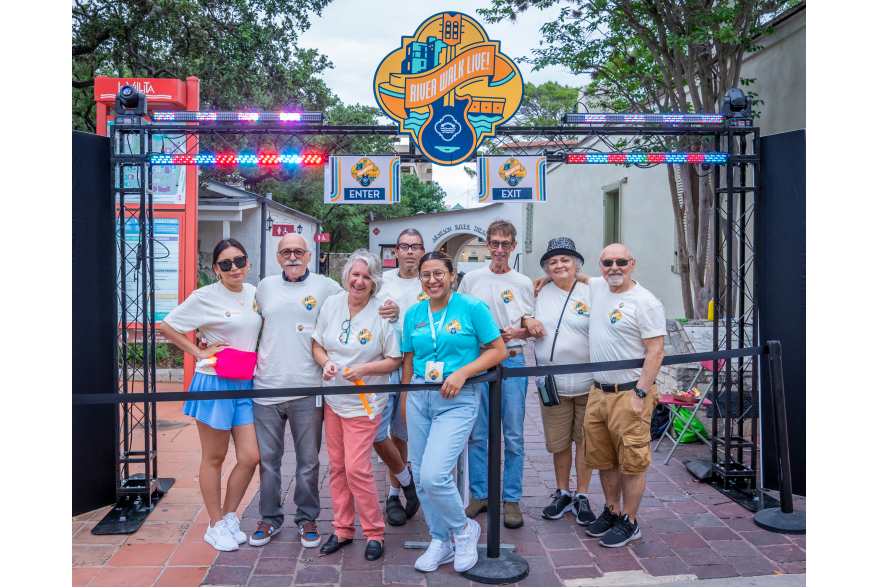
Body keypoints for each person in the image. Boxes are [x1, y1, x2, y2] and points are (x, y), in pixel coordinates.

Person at [401, 252, 507, 574]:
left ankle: (463, 530)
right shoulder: (414, 313)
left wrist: (462, 373)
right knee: (420, 476)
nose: (432, 280)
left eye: (438, 274)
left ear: (452, 275)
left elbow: (498, 350)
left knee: (435, 474)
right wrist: (405, 399)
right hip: (420, 396)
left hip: (458, 397)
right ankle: (440, 539)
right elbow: (408, 359)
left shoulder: (472, 308)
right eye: (425, 275)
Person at [159, 238, 261, 552]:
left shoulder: (256, 293)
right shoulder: (204, 297)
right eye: (226, 263)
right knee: (214, 457)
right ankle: (215, 524)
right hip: (214, 382)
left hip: (245, 382)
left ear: (248, 262)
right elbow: (167, 326)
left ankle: (229, 517)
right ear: (216, 269)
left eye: (239, 261)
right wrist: (198, 352)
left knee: (250, 456)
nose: (234, 268)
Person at [248, 234, 343, 549]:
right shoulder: (264, 287)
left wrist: (387, 310)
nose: (292, 257)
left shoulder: (326, 287)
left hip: (307, 388)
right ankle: (270, 519)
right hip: (266, 388)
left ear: (309, 254)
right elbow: (246, 322)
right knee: (268, 461)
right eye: (286, 252)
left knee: (308, 461)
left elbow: (355, 304)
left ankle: (307, 519)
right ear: (278, 256)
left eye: (298, 251)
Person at [312, 250, 403, 562]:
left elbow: (395, 359)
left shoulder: (383, 313)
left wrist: (363, 370)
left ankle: (374, 532)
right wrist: (325, 363)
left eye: (366, 276)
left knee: (357, 469)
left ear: (375, 282)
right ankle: (342, 529)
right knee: (336, 467)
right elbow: (318, 343)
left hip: (365, 402)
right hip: (333, 400)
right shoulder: (332, 304)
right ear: (347, 275)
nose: (359, 281)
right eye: (355, 274)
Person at [576, 244, 666, 547]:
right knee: (604, 459)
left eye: (621, 262)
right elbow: (577, 276)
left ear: (632, 264)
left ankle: (630, 520)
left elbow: (656, 351)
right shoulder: (600, 286)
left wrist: (640, 393)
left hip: (630, 393)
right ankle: (612, 512)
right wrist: (544, 280)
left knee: (632, 460)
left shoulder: (645, 302)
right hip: (599, 392)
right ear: (601, 265)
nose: (614, 267)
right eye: (607, 262)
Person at [458, 220, 535, 529]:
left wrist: (516, 331)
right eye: (494, 243)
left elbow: (530, 325)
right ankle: (480, 494)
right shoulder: (471, 280)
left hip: (513, 360)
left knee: (513, 433)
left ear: (514, 246)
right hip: (480, 360)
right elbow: (460, 319)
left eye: (506, 244)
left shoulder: (523, 282)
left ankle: (511, 498)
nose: (500, 249)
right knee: (478, 432)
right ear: (486, 245)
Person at [522, 238, 597, 526]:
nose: (559, 265)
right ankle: (563, 492)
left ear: (577, 263)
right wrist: (528, 319)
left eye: (565, 259)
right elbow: (521, 310)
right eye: (552, 262)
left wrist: (581, 276)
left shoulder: (592, 291)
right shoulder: (538, 292)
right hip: (551, 383)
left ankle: (583, 496)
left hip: (590, 383)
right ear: (546, 268)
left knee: (586, 442)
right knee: (559, 442)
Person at [373, 229, 427, 526]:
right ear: (395, 251)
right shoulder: (382, 282)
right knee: (375, 432)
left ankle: (395, 493)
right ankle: (409, 483)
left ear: (422, 251)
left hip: (415, 366)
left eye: (415, 247)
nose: (409, 251)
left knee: (401, 432)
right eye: (403, 246)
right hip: (383, 364)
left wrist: (401, 312)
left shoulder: (429, 281)